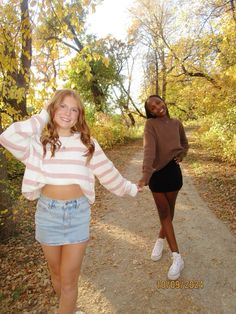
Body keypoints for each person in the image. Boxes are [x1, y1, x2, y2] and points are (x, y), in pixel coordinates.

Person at [0, 89, 138, 314]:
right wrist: (43, 115)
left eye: (74, 109)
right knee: (56, 275)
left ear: (79, 115)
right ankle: (71, 310)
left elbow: (109, 174)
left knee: (69, 280)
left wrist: (132, 189)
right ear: (52, 108)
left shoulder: (87, 144)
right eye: (62, 106)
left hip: (77, 215)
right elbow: (7, 136)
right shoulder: (38, 144)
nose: (68, 112)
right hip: (47, 214)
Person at [138, 94, 189, 280]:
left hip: (173, 173)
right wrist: (145, 175)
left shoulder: (176, 122)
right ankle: (177, 257)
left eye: (158, 102)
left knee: (170, 211)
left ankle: (160, 239)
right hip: (157, 175)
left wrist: (181, 155)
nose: (157, 107)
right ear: (150, 112)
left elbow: (184, 144)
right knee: (164, 213)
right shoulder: (150, 125)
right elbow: (148, 150)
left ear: (164, 101)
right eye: (152, 107)